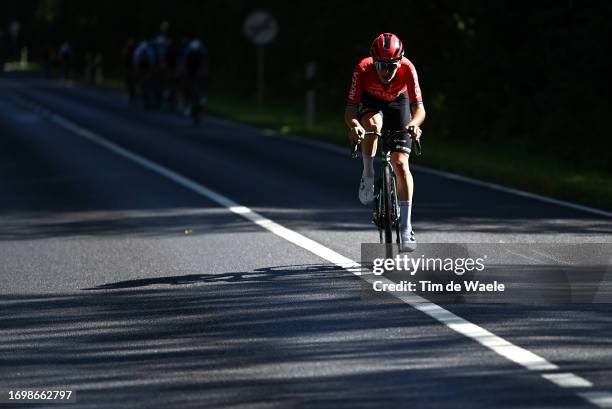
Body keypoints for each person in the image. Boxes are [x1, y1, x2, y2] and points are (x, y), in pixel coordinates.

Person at [345, 33, 426, 251]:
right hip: (372, 102)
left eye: (392, 66)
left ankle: (407, 227)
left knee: (400, 163)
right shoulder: (362, 68)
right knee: (372, 126)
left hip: (399, 102)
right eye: (381, 65)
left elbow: (419, 109)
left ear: (400, 62)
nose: (386, 71)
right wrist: (355, 126)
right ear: (373, 61)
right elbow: (350, 110)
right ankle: (368, 173)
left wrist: (414, 124)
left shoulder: (408, 68)